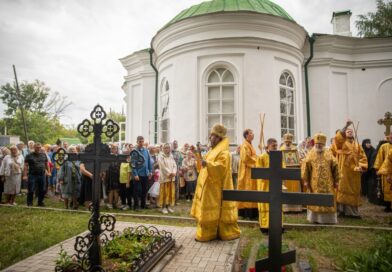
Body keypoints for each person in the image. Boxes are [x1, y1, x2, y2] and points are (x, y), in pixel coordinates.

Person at [191, 124, 240, 242]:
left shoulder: (224, 153)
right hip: (207, 186)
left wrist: (207, 164)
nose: (210, 138)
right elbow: (204, 164)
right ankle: (205, 233)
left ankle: (215, 233)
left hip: (215, 188)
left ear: (219, 138)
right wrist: (197, 155)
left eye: (212, 136)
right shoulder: (212, 150)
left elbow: (221, 167)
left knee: (213, 210)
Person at [302, 133, 340, 224]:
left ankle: (328, 220)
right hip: (314, 182)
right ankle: (315, 219)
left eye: (320, 144)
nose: (318, 145)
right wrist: (306, 180)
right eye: (317, 144)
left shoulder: (329, 153)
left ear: (324, 144)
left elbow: (335, 166)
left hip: (328, 183)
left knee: (328, 199)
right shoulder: (311, 154)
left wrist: (337, 180)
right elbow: (305, 166)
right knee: (315, 199)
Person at [332, 121, 367, 218]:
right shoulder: (342, 143)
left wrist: (361, 166)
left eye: (351, 131)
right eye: (347, 131)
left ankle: (353, 213)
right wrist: (346, 126)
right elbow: (338, 139)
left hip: (355, 172)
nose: (349, 131)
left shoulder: (358, 145)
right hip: (344, 171)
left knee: (354, 191)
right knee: (343, 189)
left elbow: (363, 157)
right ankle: (342, 211)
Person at [256, 138, 278, 233]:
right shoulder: (261, 157)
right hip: (265, 186)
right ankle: (265, 226)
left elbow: (283, 167)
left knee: (277, 205)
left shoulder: (278, 156)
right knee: (265, 206)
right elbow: (259, 172)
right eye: (273, 146)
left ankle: (277, 225)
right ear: (268, 146)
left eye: (276, 146)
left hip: (276, 186)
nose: (275, 148)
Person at [237, 129, 258, 219]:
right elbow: (246, 158)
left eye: (252, 133)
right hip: (246, 170)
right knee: (247, 188)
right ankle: (246, 212)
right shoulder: (244, 145)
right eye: (251, 133)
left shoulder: (249, 145)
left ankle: (253, 211)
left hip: (251, 169)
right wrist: (257, 160)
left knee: (252, 188)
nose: (253, 134)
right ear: (246, 135)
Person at [280, 133, 302, 212]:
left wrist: (298, 163)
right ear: (284, 141)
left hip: (294, 170)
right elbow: (280, 160)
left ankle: (296, 208)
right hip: (285, 171)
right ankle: (286, 208)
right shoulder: (281, 149)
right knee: (286, 188)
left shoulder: (295, 149)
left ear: (291, 141)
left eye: (289, 142)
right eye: (286, 142)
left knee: (295, 188)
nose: (288, 143)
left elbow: (298, 159)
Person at [23, 142, 50, 207]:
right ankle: (29, 203)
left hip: (42, 174)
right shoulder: (29, 155)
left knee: (42, 189)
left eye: (39, 147)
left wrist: (49, 172)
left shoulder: (43, 155)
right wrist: (25, 175)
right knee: (31, 189)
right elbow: (26, 166)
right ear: (34, 148)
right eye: (37, 147)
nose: (38, 149)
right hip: (32, 175)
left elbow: (46, 164)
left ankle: (40, 202)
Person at [132, 136, 152, 210]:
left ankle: (143, 205)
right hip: (138, 175)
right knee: (136, 191)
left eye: (142, 141)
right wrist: (135, 174)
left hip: (145, 174)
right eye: (140, 141)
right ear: (137, 142)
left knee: (145, 190)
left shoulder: (146, 151)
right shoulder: (134, 152)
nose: (141, 143)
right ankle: (136, 206)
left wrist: (150, 172)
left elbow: (149, 162)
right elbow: (133, 164)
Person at [373, 132, 392, 212]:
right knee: (387, 189)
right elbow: (379, 158)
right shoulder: (384, 146)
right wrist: (377, 168)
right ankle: (387, 205)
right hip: (386, 171)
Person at [158, 143, 177, 214]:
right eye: (165, 148)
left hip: (171, 177)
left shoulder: (171, 156)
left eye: (168, 148)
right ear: (163, 149)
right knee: (164, 192)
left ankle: (168, 206)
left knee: (170, 192)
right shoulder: (160, 156)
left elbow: (174, 165)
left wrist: (174, 172)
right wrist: (169, 173)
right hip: (164, 177)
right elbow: (162, 166)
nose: (167, 149)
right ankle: (163, 207)